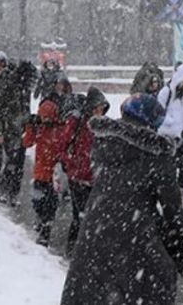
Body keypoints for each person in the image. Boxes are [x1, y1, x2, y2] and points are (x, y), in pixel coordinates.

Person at [60, 94, 183, 305]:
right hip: (135, 246)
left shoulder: (104, 145)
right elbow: (173, 212)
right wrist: (182, 241)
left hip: (94, 238)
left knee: (90, 292)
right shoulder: (156, 155)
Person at [58, 87, 110, 257]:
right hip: (78, 177)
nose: (99, 111)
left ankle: (85, 251)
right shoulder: (78, 122)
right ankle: (73, 250)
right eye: (97, 108)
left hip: (95, 178)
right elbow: (63, 145)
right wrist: (71, 163)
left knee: (92, 216)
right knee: (80, 215)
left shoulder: (105, 124)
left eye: (102, 108)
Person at [25, 73, 69, 245]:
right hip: (43, 168)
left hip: (53, 170)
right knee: (40, 201)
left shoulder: (60, 125)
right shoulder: (42, 127)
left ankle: (45, 229)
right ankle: (43, 223)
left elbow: (27, 142)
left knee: (48, 203)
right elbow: (27, 142)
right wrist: (30, 126)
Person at [157, 63, 183, 191]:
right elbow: (158, 112)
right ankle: (169, 192)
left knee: (181, 165)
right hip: (169, 134)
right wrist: (170, 122)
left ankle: (180, 193)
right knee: (169, 166)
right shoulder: (166, 92)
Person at [0, 56, 28, 206]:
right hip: (9, 130)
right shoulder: (7, 86)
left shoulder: (23, 89)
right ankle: (4, 189)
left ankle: (14, 193)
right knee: (12, 161)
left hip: (22, 131)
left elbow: (26, 109)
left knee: (19, 164)